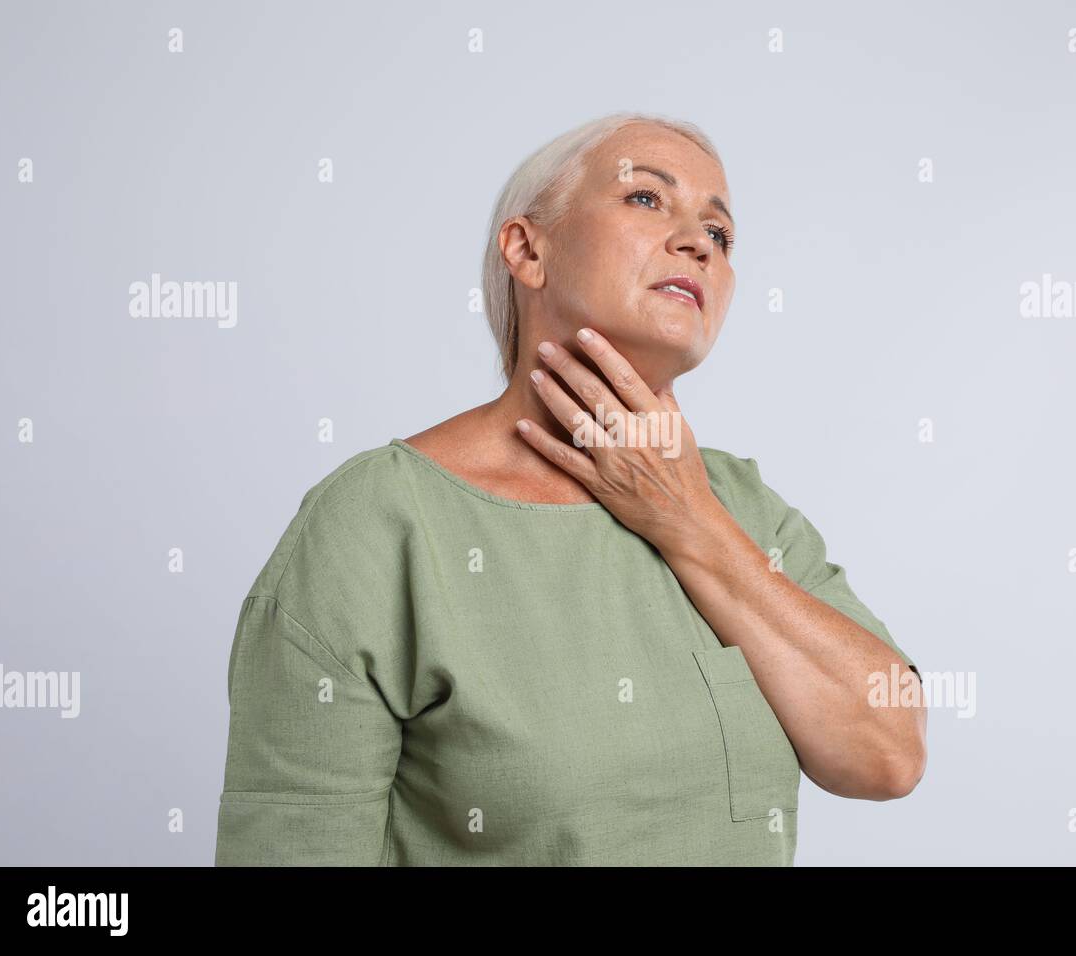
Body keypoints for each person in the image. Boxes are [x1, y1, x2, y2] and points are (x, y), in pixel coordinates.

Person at [214, 111, 926, 866]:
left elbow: (889, 755)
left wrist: (691, 522)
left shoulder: (749, 507)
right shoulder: (377, 525)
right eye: (646, 199)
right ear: (528, 249)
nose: (697, 243)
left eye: (719, 234)